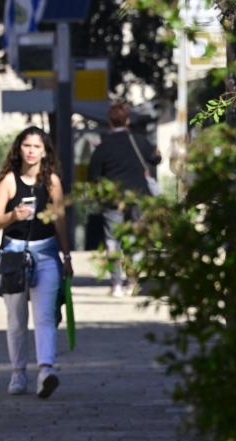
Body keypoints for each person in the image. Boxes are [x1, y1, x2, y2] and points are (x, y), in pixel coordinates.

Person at [0, 126, 73, 398]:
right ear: (19, 149)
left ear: (45, 151)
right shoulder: (9, 181)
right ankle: (18, 373)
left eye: (37, 146)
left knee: (45, 315)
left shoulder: (52, 182)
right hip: (14, 253)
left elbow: (60, 220)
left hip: (46, 252)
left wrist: (66, 255)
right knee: (16, 319)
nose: (32, 151)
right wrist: (13, 216)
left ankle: (46, 370)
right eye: (27, 146)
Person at [87, 101, 160, 297]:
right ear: (127, 120)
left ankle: (116, 284)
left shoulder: (103, 147)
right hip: (138, 197)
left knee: (113, 241)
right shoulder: (139, 141)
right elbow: (155, 159)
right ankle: (132, 281)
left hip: (113, 200)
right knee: (135, 240)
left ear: (110, 122)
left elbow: (93, 175)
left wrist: (98, 196)